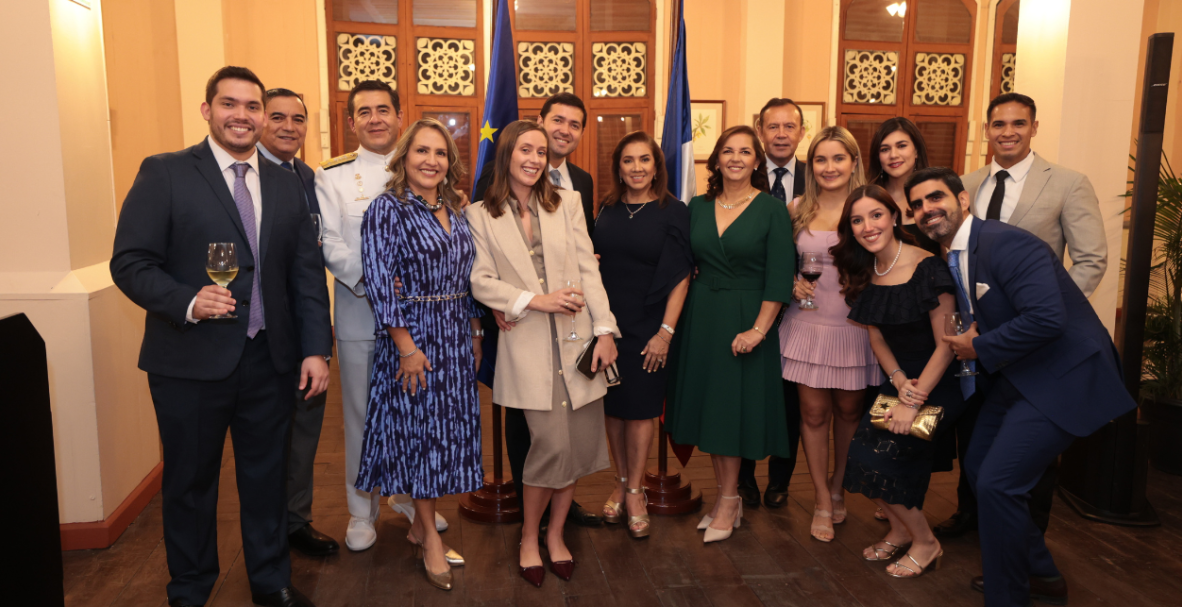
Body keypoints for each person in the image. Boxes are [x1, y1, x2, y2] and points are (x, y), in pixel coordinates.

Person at [110, 66, 331, 607]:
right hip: (189, 362)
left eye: (252, 106)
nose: (242, 115)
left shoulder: (287, 181)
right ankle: (189, 591)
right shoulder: (165, 172)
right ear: (207, 110)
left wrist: (314, 349)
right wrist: (187, 301)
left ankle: (271, 582)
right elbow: (131, 262)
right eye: (229, 104)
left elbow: (305, 275)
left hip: (270, 361)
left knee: (267, 479)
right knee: (189, 484)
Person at [908, 166, 1136, 607]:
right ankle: (1041, 573)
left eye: (935, 197)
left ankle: (1007, 596)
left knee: (998, 482)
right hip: (1019, 374)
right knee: (978, 467)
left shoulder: (1006, 242)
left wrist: (978, 347)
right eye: (916, 204)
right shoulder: (953, 255)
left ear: (962, 200)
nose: (926, 209)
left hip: (1064, 374)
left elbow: (1047, 318)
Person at [939, 93, 1107, 540]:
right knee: (976, 433)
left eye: (1018, 123)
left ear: (1034, 128)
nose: (1008, 132)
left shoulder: (1068, 183)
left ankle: (1026, 539)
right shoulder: (966, 185)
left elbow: (1091, 259)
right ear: (986, 131)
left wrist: (1053, 316)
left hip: (1036, 341)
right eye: (998, 124)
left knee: (1028, 446)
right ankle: (972, 517)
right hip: (976, 342)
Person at [467, 121, 619, 588]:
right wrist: (535, 301)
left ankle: (556, 535)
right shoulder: (478, 214)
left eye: (540, 151)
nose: (534, 159)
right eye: (524, 150)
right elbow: (480, 280)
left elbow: (588, 271)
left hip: (578, 340)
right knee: (549, 446)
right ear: (507, 155)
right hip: (526, 340)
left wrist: (606, 330)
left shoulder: (567, 203)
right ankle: (529, 537)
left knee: (575, 448)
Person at [315, 80, 447, 552]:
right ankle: (361, 510)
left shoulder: (425, 169)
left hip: (422, 323)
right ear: (351, 122)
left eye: (384, 109)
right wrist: (376, 280)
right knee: (361, 417)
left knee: (415, 414)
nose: (375, 119)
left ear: (399, 116)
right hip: (361, 315)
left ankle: (411, 499)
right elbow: (330, 243)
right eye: (364, 112)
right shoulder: (333, 176)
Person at [354, 119, 484, 591]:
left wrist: (475, 331)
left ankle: (419, 526)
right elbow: (379, 282)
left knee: (445, 434)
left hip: (455, 335)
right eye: (422, 151)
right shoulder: (387, 209)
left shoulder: (454, 207)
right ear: (404, 157)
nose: (431, 160)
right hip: (414, 339)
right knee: (422, 438)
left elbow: (468, 276)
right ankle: (429, 536)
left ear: (450, 162)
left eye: (440, 153)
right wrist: (406, 347)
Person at [666, 125, 796, 545]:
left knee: (732, 414)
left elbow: (780, 277)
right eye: (727, 151)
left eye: (745, 151)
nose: (736, 158)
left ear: (757, 161)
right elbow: (679, 261)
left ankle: (727, 500)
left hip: (747, 319)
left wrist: (759, 329)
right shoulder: (697, 207)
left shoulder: (772, 210)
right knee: (712, 413)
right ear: (716, 160)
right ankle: (729, 497)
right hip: (702, 317)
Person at [831, 185, 966, 578]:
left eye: (876, 215)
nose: (867, 226)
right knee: (859, 460)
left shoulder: (929, 267)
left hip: (938, 385)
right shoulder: (869, 271)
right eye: (857, 220)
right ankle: (900, 530)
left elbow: (948, 344)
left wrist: (913, 398)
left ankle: (926, 542)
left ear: (894, 217)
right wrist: (898, 380)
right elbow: (877, 338)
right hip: (900, 381)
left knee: (886, 460)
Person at [779, 126, 881, 542]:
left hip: (854, 327)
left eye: (838, 158)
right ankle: (821, 498)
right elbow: (777, 262)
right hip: (806, 325)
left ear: (853, 162)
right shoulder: (795, 210)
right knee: (813, 414)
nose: (829, 167)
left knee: (850, 414)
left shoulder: (869, 209)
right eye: (820, 159)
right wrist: (790, 281)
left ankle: (839, 486)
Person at [592, 131, 693, 539]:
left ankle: (635, 491)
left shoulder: (674, 211)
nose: (636, 168)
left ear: (656, 167)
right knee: (613, 407)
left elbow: (681, 275)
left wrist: (665, 333)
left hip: (651, 327)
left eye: (644, 160)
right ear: (618, 167)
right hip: (607, 326)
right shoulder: (607, 208)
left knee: (641, 410)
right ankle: (620, 482)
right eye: (628, 160)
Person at [255, 87, 341, 558]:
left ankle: (295, 521)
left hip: (307, 330)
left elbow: (315, 258)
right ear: (259, 120)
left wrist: (318, 343)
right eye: (278, 117)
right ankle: (267, 534)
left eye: (298, 119)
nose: (289, 127)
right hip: (260, 336)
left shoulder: (311, 178)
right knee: (266, 441)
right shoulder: (246, 175)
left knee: (305, 433)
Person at [737, 98, 807, 509]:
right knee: (747, 393)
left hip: (804, 309)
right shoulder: (743, 173)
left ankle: (780, 480)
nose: (781, 134)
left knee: (789, 401)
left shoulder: (818, 176)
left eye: (789, 126)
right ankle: (743, 477)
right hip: (751, 303)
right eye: (773, 127)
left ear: (802, 132)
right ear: (760, 131)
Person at [867, 118, 941, 256]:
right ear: (878, 157)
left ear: (916, 151)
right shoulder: (868, 199)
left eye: (901, 146)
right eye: (885, 149)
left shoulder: (937, 197)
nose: (893, 155)